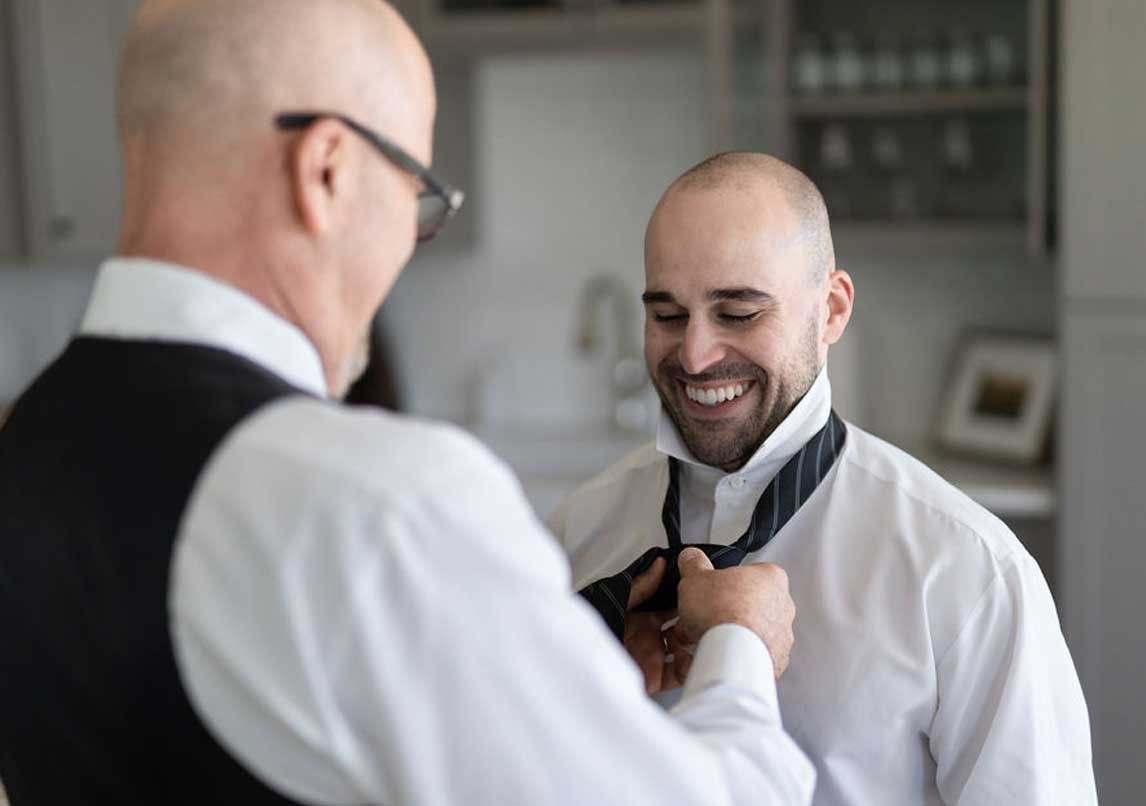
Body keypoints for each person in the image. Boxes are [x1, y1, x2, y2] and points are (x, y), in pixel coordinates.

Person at [0, 3, 816, 804]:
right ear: (325, 171)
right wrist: (738, 647)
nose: (408, 242)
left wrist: (531, 654)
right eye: (415, 197)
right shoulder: (369, 498)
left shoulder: (28, 439)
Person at [549, 152, 1098, 806]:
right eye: (667, 316)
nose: (694, 354)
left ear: (831, 310)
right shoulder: (574, 540)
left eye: (738, 313)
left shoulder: (965, 571)